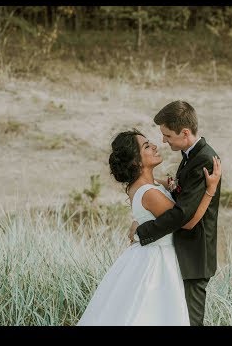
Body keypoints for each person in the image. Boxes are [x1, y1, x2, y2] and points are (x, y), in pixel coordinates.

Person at [77, 129, 221, 326]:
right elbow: (186, 221)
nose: (154, 146)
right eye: (146, 146)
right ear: (136, 161)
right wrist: (210, 191)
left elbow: (162, 194)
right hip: (160, 261)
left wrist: (170, 187)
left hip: (150, 254)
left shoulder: (144, 185)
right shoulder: (149, 193)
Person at [129, 100, 222, 326]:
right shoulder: (191, 156)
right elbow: (184, 197)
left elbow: (183, 217)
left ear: (185, 132)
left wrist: (143, 232)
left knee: (191, 322)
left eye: (168, 136)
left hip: (194, 257)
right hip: (181, 255)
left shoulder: (204, 160)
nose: (163, 140)